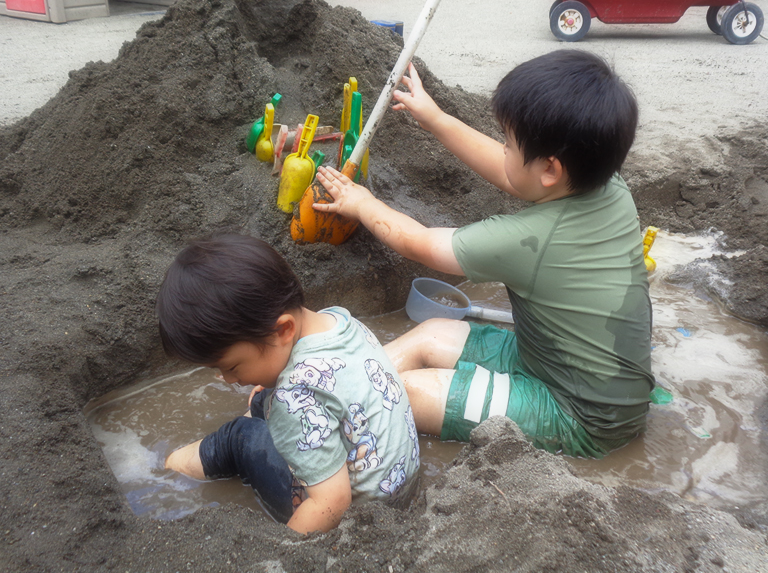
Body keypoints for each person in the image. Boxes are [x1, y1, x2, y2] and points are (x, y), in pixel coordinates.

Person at [313, 50, 653, 458]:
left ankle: (313, 415)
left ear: (550, 169)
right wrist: (436, 119)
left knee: (404, 391)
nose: (502, 149)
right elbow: (514, 172)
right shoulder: (608, 186)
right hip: (555, 366)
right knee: (430, 334)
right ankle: (329, 386)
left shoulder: (527, 241)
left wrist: (361, 202)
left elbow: (419, 243)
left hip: (579, 416)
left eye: (508, 142)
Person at [157, 233, 420, 533]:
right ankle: (259, 414)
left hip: (359, 516)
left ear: (283, 330)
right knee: (265, 399)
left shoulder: (291, 396)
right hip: (397, 485)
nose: (229, 380)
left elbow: (332, 503)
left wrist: (284, 549)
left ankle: (167, 468)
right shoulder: (339, 320)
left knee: (239, 437)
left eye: (231, 367)